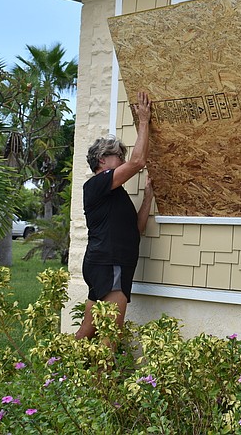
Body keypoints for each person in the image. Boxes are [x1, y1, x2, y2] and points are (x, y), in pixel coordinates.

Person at [75, 91, 154, 340]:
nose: (122, 159)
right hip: (110, 264)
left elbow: (137, 228)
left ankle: (57, 372)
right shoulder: (97, 184)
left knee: (89, 329)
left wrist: (148, 198)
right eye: (118, 156)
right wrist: (143, 121)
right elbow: (139, 161)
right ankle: (103, 379)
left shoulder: (116, 194)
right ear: (102, 160)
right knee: (111, 331)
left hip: (111, 263)